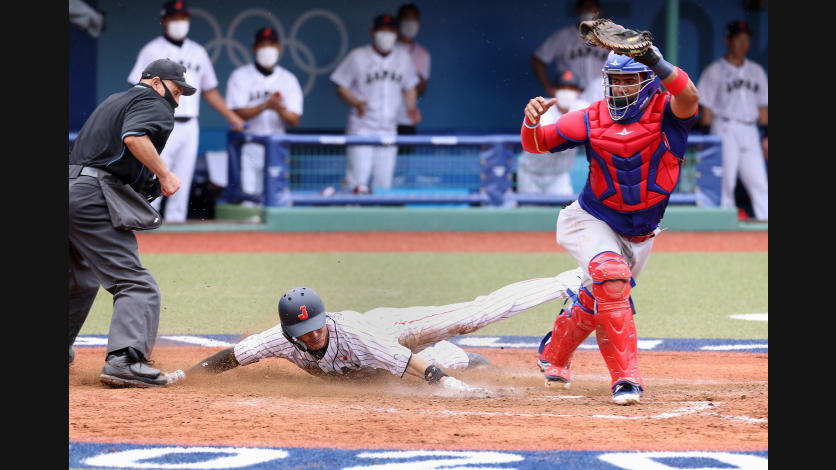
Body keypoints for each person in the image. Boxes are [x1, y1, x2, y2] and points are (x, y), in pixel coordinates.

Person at [521, 35, 700, 404]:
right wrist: (531, 122)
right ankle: (626, 380)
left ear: (649, 79)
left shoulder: (670, 113)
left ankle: (554, 352)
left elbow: (690, 97)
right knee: (611, 277)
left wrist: (654, 59)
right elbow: (536, 145)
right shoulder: (592, 116)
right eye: (615, 80)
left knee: (602, 296)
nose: (620, 88)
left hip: (640, 233)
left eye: (629, 80)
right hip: (590, 218)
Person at [166, 269, 584, 394]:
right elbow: (233, 357)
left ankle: (567, 279)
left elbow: (405, 362)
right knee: (454, 357)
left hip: (390, 330)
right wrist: (184, 376)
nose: (312, 335)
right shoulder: (279, 339)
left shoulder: (353, 335)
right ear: (291, 332)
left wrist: (452, 386)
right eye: (304, 331)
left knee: (472, 316)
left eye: (316, 326)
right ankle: (466, 359)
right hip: (377, 357)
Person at [69, 59, 195, 387]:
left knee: (79, 279)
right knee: (137, 284)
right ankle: (125, 360)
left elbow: (100, 154)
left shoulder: (113, 100)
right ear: (155, 82)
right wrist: (165, 175)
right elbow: (134, 138)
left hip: (70, 186)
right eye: (176, 89)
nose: (177, 99)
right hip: (89, 196)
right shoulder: (154, 101)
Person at [127, 0, 245, 222]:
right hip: (161, 122)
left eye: (183, 18)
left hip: (190, 124)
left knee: (181, 181)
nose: (179, 22)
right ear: (165, 21)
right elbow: (139, 88)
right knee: (154, 176)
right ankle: (145, 224)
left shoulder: (198, 51)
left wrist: (232, 116)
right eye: (174, 18)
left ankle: (177, 232)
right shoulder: (152, 49)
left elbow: (209, 90)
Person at [330, 13, 421, 194]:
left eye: (390, 30)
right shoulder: (358, 56)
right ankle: (352, 219)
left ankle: (380, 223)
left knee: (384, 184)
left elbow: (410, 87)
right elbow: (341, 86)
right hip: (362, 127)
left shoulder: (403, 58)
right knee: (358, 181)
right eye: (382, 30)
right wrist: (355, 102)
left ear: (396, 33)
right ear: (372, 32)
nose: (386, 34)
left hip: (389, 129)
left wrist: (411, 107)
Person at [696, 20, 768, 221]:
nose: (743, 44)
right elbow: (707, 109)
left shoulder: (757, 71)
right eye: (738, 40)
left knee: (760, 182)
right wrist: (706, 139)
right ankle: (725, 228)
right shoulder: (714, 71)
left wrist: (766, 136)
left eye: (746, 40)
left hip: (750, 130)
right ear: (728, 41)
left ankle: (765, 227)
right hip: (725, 127)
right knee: (725, 181)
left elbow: (763, 107)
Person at [226, 26, 304, 200]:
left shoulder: (289, 79)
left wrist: (278, 107)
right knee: (249, 200)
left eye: (272, 44)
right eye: (263, 44)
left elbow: (294, 119)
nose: (268, 48)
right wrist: (264, 105)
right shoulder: (240, 75)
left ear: (279, 48)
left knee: (275, 199)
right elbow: (236, 112)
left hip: (277, 146)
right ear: (255, 48)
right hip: (249, 144)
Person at [517, 69, 588, 197]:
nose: (567, 91)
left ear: (578, 92)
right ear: (553, 90)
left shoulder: (583, 107)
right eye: (562, 87)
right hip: (531, 173)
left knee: (564, 213)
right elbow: (549, 137)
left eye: (571, 88)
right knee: (529, 213)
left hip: (559, 176)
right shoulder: (543, 106)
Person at [531, 0, 608, 97]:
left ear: (599, 11)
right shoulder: (563, 36)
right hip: (570, 92)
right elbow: (538, 59)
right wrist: (548, 88)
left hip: (601, 92)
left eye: (592, 7)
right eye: (585, 8)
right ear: (578, 11)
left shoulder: (609, 37)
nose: (588, 10)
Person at [394, 3, 431, 138]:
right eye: (406, 19)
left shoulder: (423, 54)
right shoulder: (388, 51)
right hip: (381, 120)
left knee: (404, 157)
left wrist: (410, 84)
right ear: (398, 21)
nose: (410, 23)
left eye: (414, 19)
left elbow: (419, 89)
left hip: (406, 118)